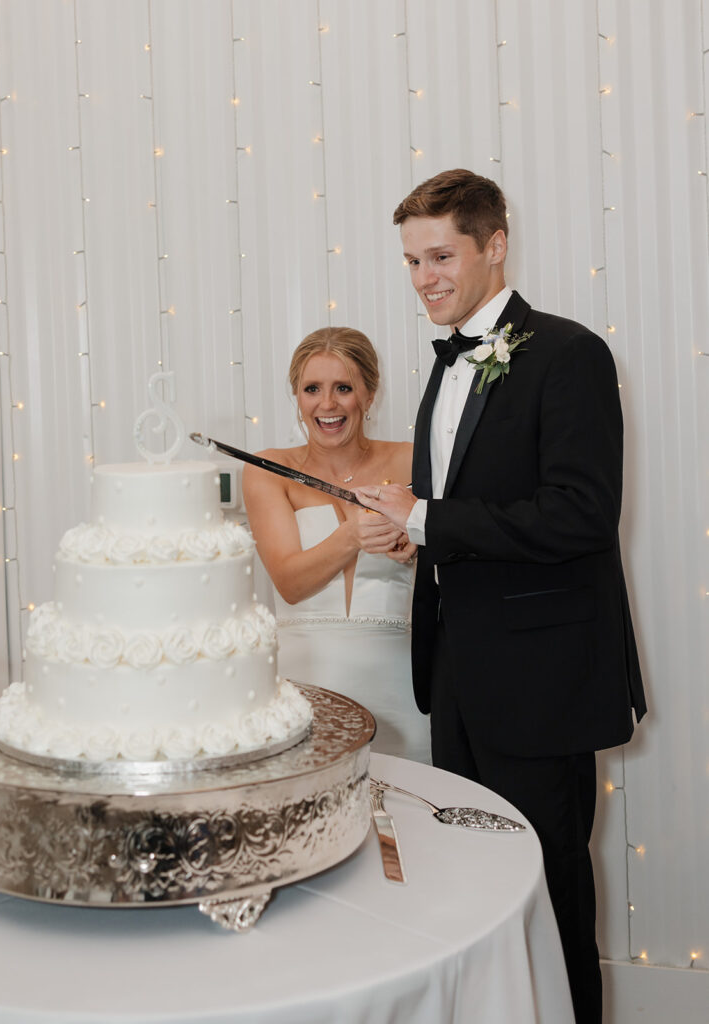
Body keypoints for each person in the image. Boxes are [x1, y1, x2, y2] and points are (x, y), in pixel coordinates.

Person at [354, 169, 646, 1023]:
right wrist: (409, 533)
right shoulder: (441, 370)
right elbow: (461, 521)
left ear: (494, 246)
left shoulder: (567, 352)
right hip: (456, 674)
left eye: (440, 255)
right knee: (474, 893)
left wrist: (431, 518)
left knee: (550, 893)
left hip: (543, 679)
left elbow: (581, 514)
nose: (424, 277)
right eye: (411, 260)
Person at [243, 326, 431, 762]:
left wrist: (418, 542)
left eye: (343, 388)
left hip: (401, 686)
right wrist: (351, 535)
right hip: (302, 688)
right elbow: (289, 582)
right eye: (312, 389)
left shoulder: (414, 457)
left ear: (369, 393)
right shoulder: (269, 469)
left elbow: (451, 543)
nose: (327, 405)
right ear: (297, 395)